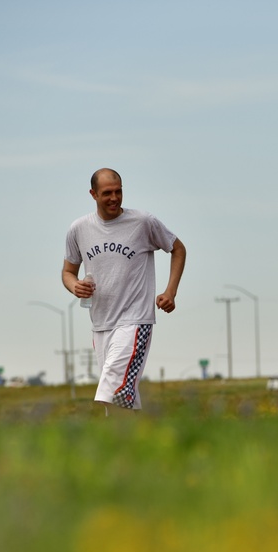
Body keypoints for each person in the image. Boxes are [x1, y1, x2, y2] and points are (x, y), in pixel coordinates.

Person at [62, 168, 186, 413]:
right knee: (122, 402)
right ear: (93, 194)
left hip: (134, 321)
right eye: (107, 193)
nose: (114, 198)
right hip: (101, 324)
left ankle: (105, 444)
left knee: (110, 390)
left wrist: (170, 291)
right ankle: (134, 445)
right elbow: (67, 272)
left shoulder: (142, 222)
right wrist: (74, 286)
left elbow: (178, 249)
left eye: (118, 192)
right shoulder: (79, 229)